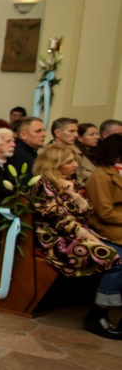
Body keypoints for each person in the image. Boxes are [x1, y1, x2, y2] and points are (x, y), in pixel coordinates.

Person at [31, 143, 122, 339]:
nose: (75, 165)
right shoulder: (42, 185)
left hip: (77, 233)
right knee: (113, 257)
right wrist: (94, 240)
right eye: (69, 162)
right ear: (54, 165)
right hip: (56, 240)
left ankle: (107, 309)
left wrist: (72, 194)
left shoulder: (68, 182)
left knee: (119, 253)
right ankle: (98, 314)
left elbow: (86, 212)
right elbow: (60, 222)